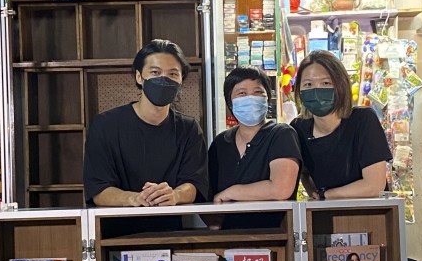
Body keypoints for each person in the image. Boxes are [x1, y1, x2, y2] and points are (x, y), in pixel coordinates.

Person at [83, 39, 208, 207]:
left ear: (181, 80)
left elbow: (195, 183)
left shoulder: (189, 129)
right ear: (139, 76)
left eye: (172, 74)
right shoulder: (105, 126)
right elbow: (98, 189)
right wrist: (133, 198)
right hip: (116, 229)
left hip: (171, 229)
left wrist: (175, 195)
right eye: (155, 72)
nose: (164, 80)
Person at [291, 51, 392, 200]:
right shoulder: (298, 128)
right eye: (308, 84)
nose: (316, 90)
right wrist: (316, 195)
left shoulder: (363, 120)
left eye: (326, 83)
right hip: (323, 215)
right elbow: (304, 173)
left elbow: (374, 185)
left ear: (341, 86)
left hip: (370, 215)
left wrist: (326, 195)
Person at [208, 67, 301, 204]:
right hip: (229, 225)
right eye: (242, 93)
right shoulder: (221, 142)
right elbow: (210, 191)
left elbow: (281, 189)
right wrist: (214, 221)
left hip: (276, 225)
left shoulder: (281, 134)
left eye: (257, 92)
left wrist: (231, 192)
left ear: (267, 98)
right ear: (230, 102)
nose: (250, 98)